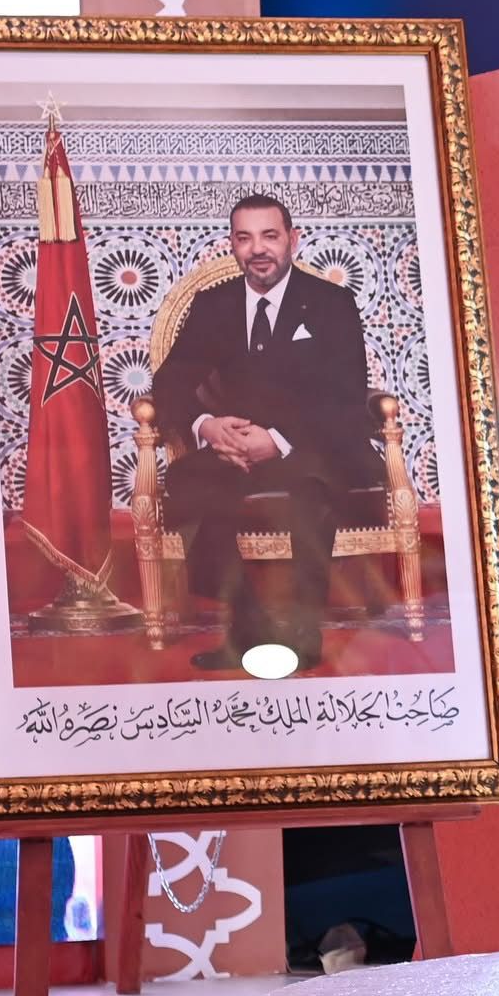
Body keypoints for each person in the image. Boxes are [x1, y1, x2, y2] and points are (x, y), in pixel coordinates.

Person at [151, 194, 382, 671]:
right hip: (237, 450)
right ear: (232, 245)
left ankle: (301, 632)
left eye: (269, 236)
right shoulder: (214, 304)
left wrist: (275, 440)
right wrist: (208, 427)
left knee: (310, 487)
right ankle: (247, 630)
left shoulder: (331, 303)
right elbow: (169, 382)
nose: (257, 248)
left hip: (316, 445)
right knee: (188, 481)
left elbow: (345, 395)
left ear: (292, 239)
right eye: (245, 238)